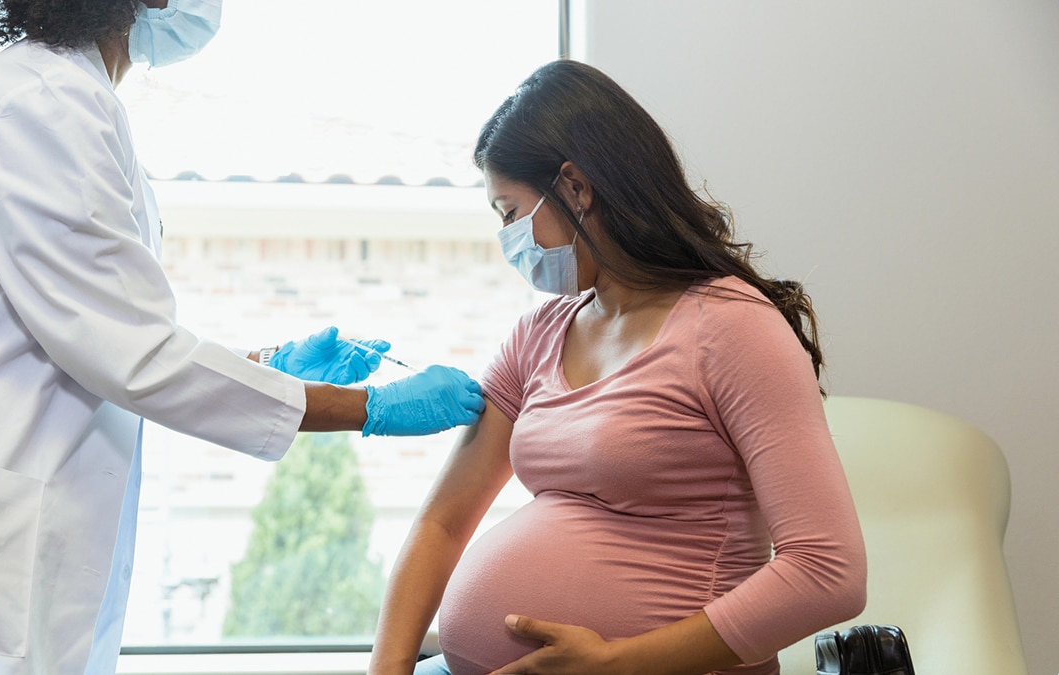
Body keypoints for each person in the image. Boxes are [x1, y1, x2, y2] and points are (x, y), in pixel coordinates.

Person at [0, 1, 484, 673]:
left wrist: (269, 366)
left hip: (3, 538)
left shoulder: (75, 102)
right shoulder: (38, 105)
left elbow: (109, 335)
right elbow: (133, 353)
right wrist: (372, 410)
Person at [368, 60, 867, 675]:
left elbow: (828, 571)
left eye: (509, 212)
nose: (508, 239)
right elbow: (442, 524)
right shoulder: (538, 335)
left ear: (576, 188)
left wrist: (620, 663)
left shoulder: (733, 327)